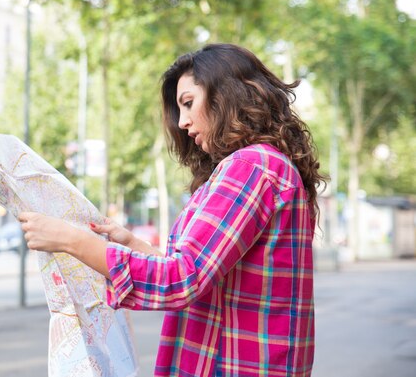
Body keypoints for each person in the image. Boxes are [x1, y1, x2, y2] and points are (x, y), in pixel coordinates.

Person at [18, 43, 325, 377]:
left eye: (189, 103)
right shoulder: (268, 167)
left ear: (228, 95)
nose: (182, 122)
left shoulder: (250, 167)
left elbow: (183, 278)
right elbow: (212, 275)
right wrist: (133, 245)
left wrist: (70, 240)